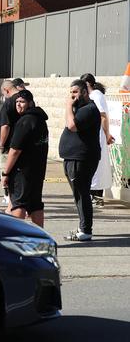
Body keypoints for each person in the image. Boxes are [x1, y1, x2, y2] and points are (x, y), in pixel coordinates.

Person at [59, 79, 101, 242]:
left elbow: (71, 125)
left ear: (84, 92)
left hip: (81, 158)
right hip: (73, 157)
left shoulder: (89, 109)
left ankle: (85, 230)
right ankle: (83, 227)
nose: (72, 96)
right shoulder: (81, 108)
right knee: (79, 194)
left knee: (82, 194)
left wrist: (68, 106)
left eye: (75, 92)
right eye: (70, 93)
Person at [1, 90, 49, 227]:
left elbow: (15, 150)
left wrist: (6, 172)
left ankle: (18, 237)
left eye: (22, 102)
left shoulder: (25, 121)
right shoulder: (40, 119)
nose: (18, 105)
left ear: (30, 103)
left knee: (18, 204)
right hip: (37, 170)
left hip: (22, 171)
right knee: (35, 204)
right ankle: (40, 237)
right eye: (17, 102)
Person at [80, 73, 114, 208]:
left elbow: (103, 116)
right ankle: (92, 195)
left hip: (98, 134)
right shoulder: (92, 96)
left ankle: (96, 196)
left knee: (97, 166)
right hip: (92, 134)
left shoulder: (96, 96)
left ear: (89, 85)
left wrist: (107, 134)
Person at [0, 80, 21, 208]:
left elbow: (5, 126)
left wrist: (1, 144)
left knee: (6, 172)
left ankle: (9, 199)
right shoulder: (26, 100)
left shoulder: (8, 103)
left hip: (11, 145)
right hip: (24, 144)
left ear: (6, 90)